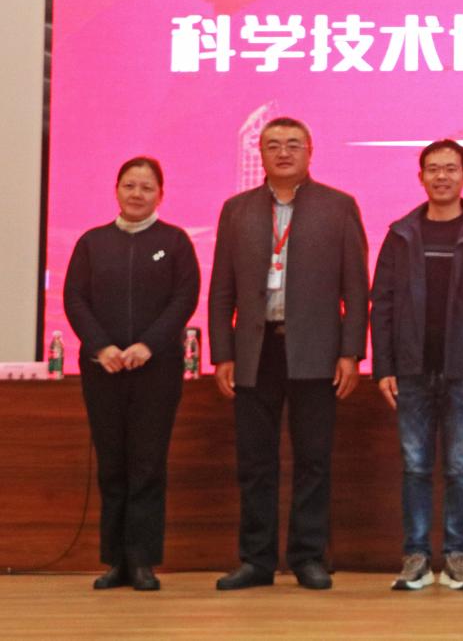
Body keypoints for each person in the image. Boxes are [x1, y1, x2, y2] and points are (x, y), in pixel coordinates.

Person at [209, 117, 369, 590]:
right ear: (260, 153)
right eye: (273, 145)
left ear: (309, 151)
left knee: (313, 460)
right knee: (255, 462)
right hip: (254, 351)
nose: (283, 152)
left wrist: (350, 353)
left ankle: (307, 557)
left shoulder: (338, 207)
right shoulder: (237, 210)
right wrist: (223, 353)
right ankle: (256, 560)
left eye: (293, 144)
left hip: (316, 350)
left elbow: (356, 289)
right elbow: (221, 290)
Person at [371, 139, 463, 592]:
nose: (442, 176)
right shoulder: (401, 233)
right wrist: (384, 366)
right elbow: (382, 303)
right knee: (415, 466)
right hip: (411, 370)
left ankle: (456, 557)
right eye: (433, 169)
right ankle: (415, 557)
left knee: (459, 466)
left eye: (451, 169)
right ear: (421, 177)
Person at [63, 157, 200, 592]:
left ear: (161, 194)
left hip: (156, 369)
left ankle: (142, 562)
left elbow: (184, 298)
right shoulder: (92, 242)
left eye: (146, 187)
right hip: (103, 369)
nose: (137, 194)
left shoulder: (175, 242)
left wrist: (148, 345)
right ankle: (115, 561)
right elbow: (75, 298)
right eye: (129, 185)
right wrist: (101, 347)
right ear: (116, 190)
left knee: (147, 464)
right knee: (112, 464)